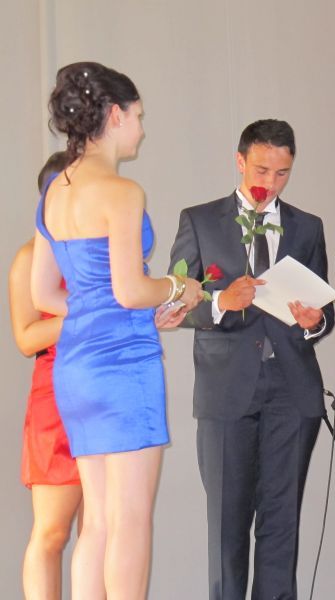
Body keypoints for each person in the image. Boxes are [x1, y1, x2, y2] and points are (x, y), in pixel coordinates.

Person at [31, 61, 204, 599]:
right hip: (123, 368)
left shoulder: (55, 190)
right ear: (114, 114)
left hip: (75, 368)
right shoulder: (121, 192)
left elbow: (46, 295)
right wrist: (180, 287)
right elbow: (129, 290)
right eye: (139, 116)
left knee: (99, 522)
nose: (142, 129)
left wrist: (126, 311)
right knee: (129, 518)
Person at [169, 118, 335, 600]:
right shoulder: (200, 221)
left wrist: (314, 321)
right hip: (226, 390)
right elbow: (175, 306)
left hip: (292, 389)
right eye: (262, 170)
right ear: (239, 161)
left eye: (282, 173)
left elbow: (324, 310)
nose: (271, 183)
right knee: (228, 524)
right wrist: (221, 302)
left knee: (282, 524)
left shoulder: (308, 226)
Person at [10, 151, 81, 600]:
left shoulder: (105, 256)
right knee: (52, 531)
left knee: (103, 531)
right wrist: (84, 313)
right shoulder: (29, 257)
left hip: (106, 391)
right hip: (55, 399)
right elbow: (26, 338)